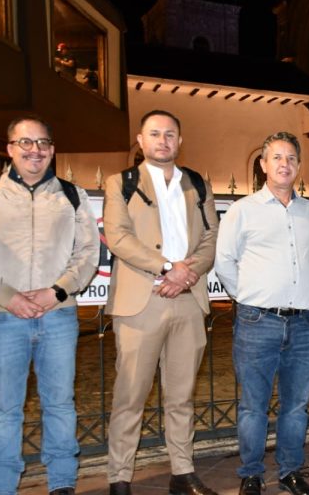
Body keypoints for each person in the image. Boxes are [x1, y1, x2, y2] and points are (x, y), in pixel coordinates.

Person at [0, 116, 99, 495]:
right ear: (10, 148)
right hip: (3, 320)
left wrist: (57, 291)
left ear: (52, 150)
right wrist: (9, 297)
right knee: (5, 409)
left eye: (42, 143)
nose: (34, 150)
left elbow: (87, 252)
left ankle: (62, 483)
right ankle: (2, 486)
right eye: (25, 142)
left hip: (58, 317)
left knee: (60, 403)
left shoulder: (72, 195)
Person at [103, 110, 218, 495]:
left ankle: (182, 472)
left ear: (180, 141)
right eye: (155, 134)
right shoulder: (121, 183)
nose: (163, 140)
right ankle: (120, 476)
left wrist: (186, 273)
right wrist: (169, 267)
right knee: (130, 396)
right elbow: (118, 238)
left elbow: (210, 239)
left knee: (181, 395)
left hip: (187, 300)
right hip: (141, 302)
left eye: (170, 134)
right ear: (140, 140)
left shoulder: (197, 185)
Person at [214, 132, 309, 495]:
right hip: (258, 321)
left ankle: (291, 469)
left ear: (298, 165)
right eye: (276, 157)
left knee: (296, 405)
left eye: (291, 158)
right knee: (253, 406)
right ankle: (251, 473)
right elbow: (225, 261)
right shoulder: (242, 211)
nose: (284, 164)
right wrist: (246, 297)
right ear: (263, 165)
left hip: (306, 321)